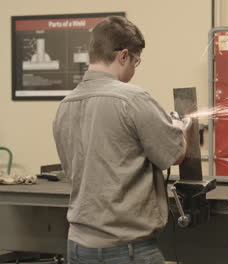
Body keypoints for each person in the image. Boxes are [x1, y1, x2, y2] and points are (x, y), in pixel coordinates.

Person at [53, 16, 190, 264]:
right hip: (125, 250)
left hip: (78, 247)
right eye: (136, 60)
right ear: (124, 56)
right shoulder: (132, 98)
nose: (135, 67)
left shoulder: (65, 105)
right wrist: (179, 128)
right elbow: (175, 154)